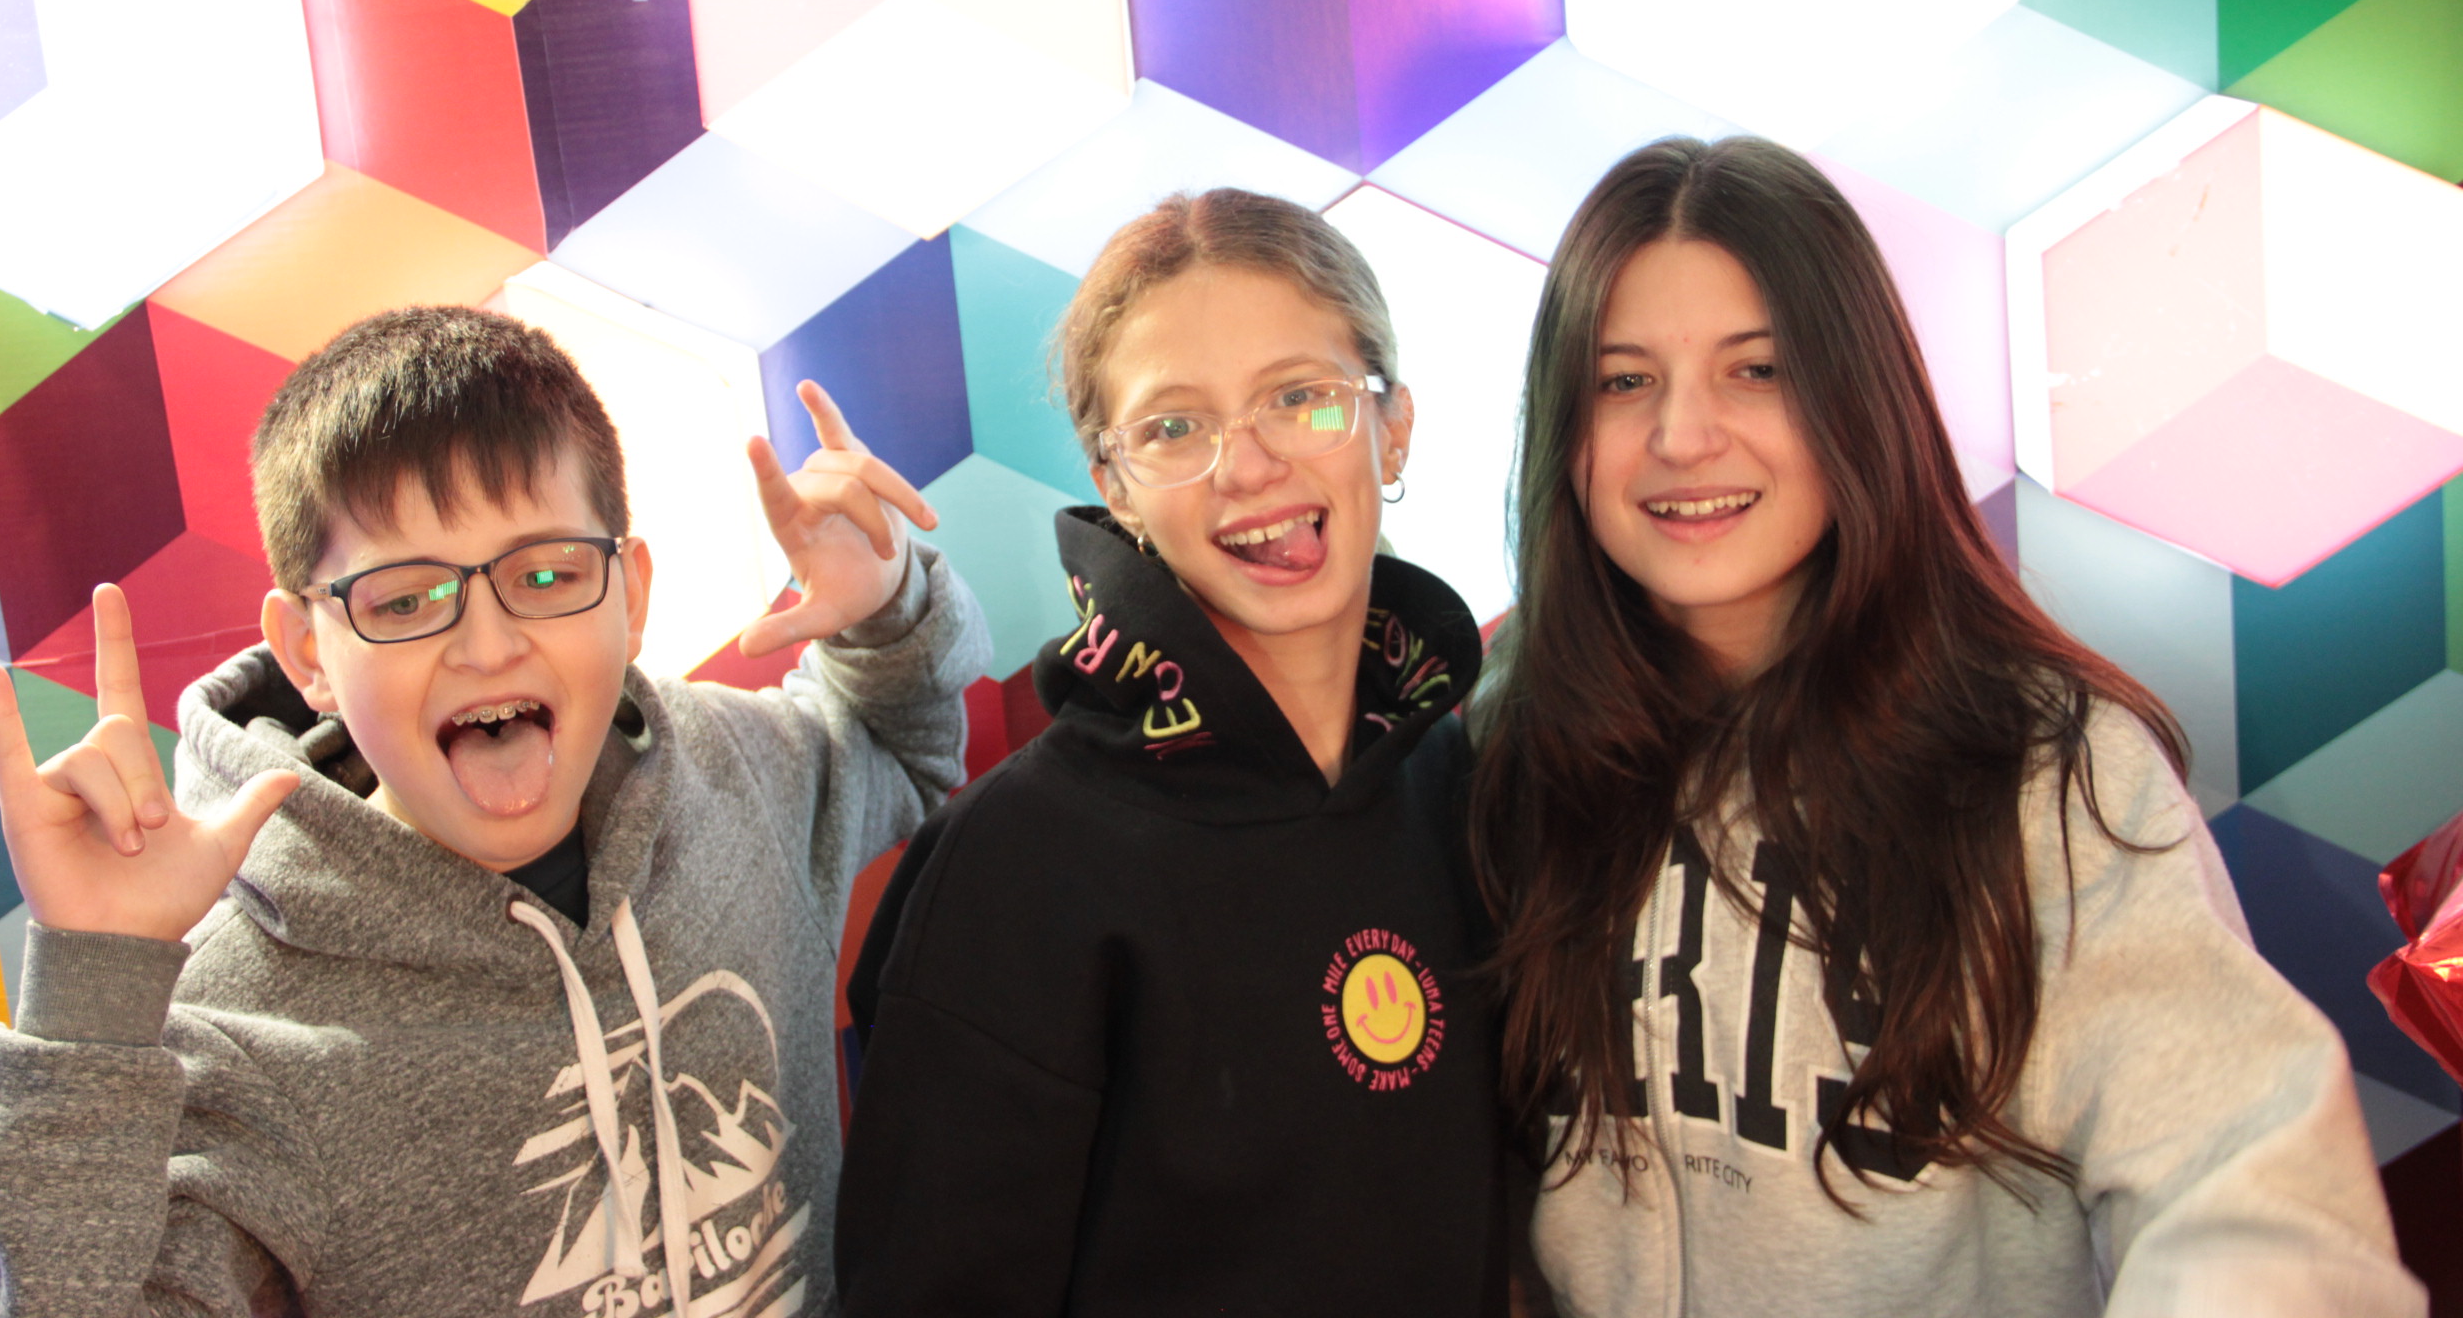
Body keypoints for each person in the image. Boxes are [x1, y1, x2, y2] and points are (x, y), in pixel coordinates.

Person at [1471, 137, 2422, 1316]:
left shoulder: (2041, 767)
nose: (1682, 435)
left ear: (1856, 397)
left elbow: (2244, 1178)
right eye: (1624, 382)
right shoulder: (1509, 750)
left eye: (1757, 370)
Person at [0, 306, 990, 1317]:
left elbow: (903, 747)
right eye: (405, 599)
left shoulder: (741, 776)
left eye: (547, 574)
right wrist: (88, 1007)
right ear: (307, 654)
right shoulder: (234, 1025)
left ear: (630, 596)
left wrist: (887, 610)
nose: (488, 644)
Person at [832, 190, 1506, 1315]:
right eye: (1173, 428)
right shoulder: (1013, 867)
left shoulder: (1468, 787)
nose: (1248, 466)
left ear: (1392, 426)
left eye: (1301, 397)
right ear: (1116, 490)